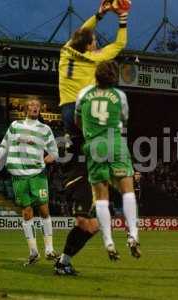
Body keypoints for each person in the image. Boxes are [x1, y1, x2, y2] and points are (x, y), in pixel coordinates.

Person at [54, 0, 130, 276]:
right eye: (95, 42)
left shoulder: (65, 52)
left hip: (66, 109)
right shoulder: (95, 59)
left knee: (94, 223)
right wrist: (121, 18)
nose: (97, 44)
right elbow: (119, 46)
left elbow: (80, 33)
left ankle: (64, 260)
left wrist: (99, 14)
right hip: (83, 109)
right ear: (89, 47)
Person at [75, 60, 140, 260]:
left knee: (102, 197)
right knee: (128, 191)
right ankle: (133, 235)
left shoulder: (84, 93)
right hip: (115, 142)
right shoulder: (119, 95)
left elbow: (77, 120)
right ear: (114, 77)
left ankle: (109, 242)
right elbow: (124, 119)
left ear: (96, 75)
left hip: (94, 145)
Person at [0, 98, 59, 266]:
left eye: (37, 106)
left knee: (43, 209)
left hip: (37, 174)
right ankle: (33, 252)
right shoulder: (15, 126)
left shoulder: (45, 129)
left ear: (40, 110)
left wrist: (48, 158)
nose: (35, 108)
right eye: (31, 105)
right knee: (27, 213)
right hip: (18, 174)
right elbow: (4, 145)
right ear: (26, 109)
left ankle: (49, 249)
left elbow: (54, 151)